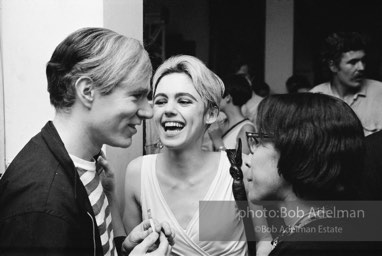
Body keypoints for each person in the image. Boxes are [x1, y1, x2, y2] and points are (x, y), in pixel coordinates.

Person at [0, 27, 173, 255]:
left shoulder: (89, 165)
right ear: (87, 91)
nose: (149, 112)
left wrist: (123, 247)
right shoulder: (42, 204)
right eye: (136, 96)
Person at [123, 55, 248, 255]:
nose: (169, 110)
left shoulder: (236, 170)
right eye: (161, 101)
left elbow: (267, 241)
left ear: (211, 113)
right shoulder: (137, 173)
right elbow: (133, 247)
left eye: (183, 101)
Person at [243, 93, 382, 255]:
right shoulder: (343, 232)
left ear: (294, 154)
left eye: (258, 142)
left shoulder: (303, 248)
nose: (247, 160)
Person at [310, 32, 382, 136]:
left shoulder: (380, 92)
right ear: (333, 66)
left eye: (363, 61)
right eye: (353, 62)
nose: (361, 68)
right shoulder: (314, 98)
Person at [208, 74, 256, 154]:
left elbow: (239, 165)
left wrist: (217, 141)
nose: (213, 99)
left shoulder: (247, 128)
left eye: (217, 94)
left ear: (227, 97)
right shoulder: (222, 124)